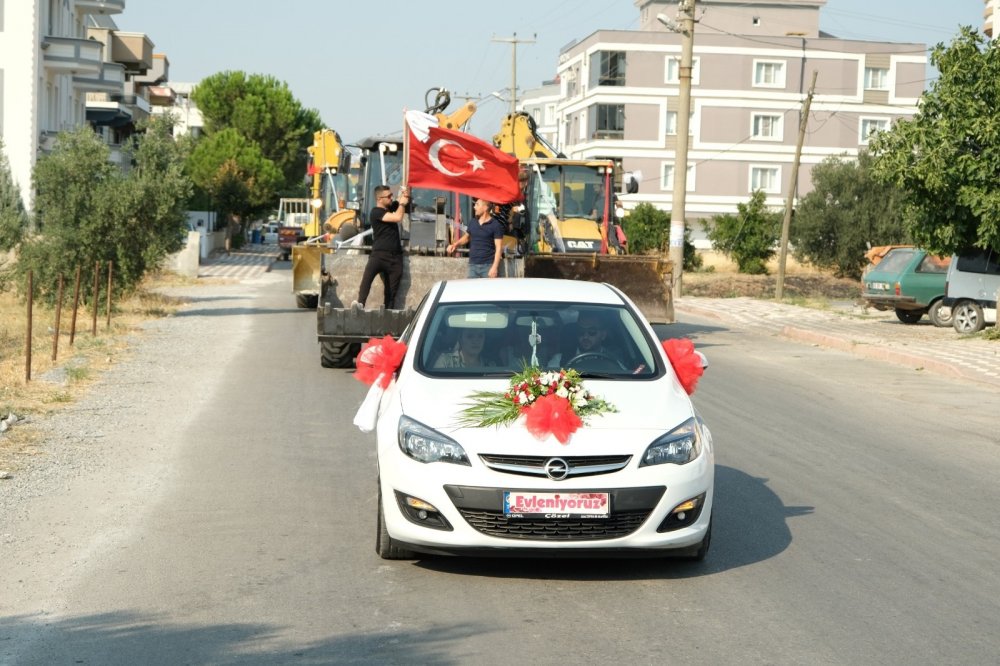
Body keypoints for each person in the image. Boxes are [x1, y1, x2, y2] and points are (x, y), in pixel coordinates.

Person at [356, 184, 410, 309]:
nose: (391, 198)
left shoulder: (391, 206)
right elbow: (397, 217)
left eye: (391, 195)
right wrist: (401, 204)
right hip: (379, 255)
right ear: (380, 199)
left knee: (391, 293)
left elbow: (402, 201)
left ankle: (388, 314)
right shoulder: (376, 212)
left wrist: (405, 195)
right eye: (389, 196)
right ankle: (360, 304)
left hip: (395, 257)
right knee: (366, 280)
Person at [446, 197, 504, 278]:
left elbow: (499, 248)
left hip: (488, 267)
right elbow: (467, 237)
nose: (474, 207)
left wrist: (494, 267)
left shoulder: (495, 225)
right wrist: (455, 244)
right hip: (472, 266)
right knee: (471, 290)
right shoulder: (473, 222)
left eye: (477, 204)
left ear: (485, 208)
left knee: (488, 290)